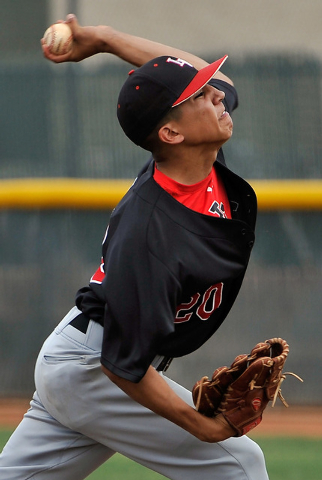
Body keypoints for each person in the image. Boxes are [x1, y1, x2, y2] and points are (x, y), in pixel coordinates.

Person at [0, 14, 268, 480]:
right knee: (239, 465)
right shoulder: (150, 231)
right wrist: (201, 427)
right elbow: (123, 367)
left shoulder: (192, 159)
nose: (220, 93)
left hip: (84, 356)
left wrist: (102, 39)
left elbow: (201, 76)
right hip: (97, 368)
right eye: (201, 96)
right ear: (171, 133)